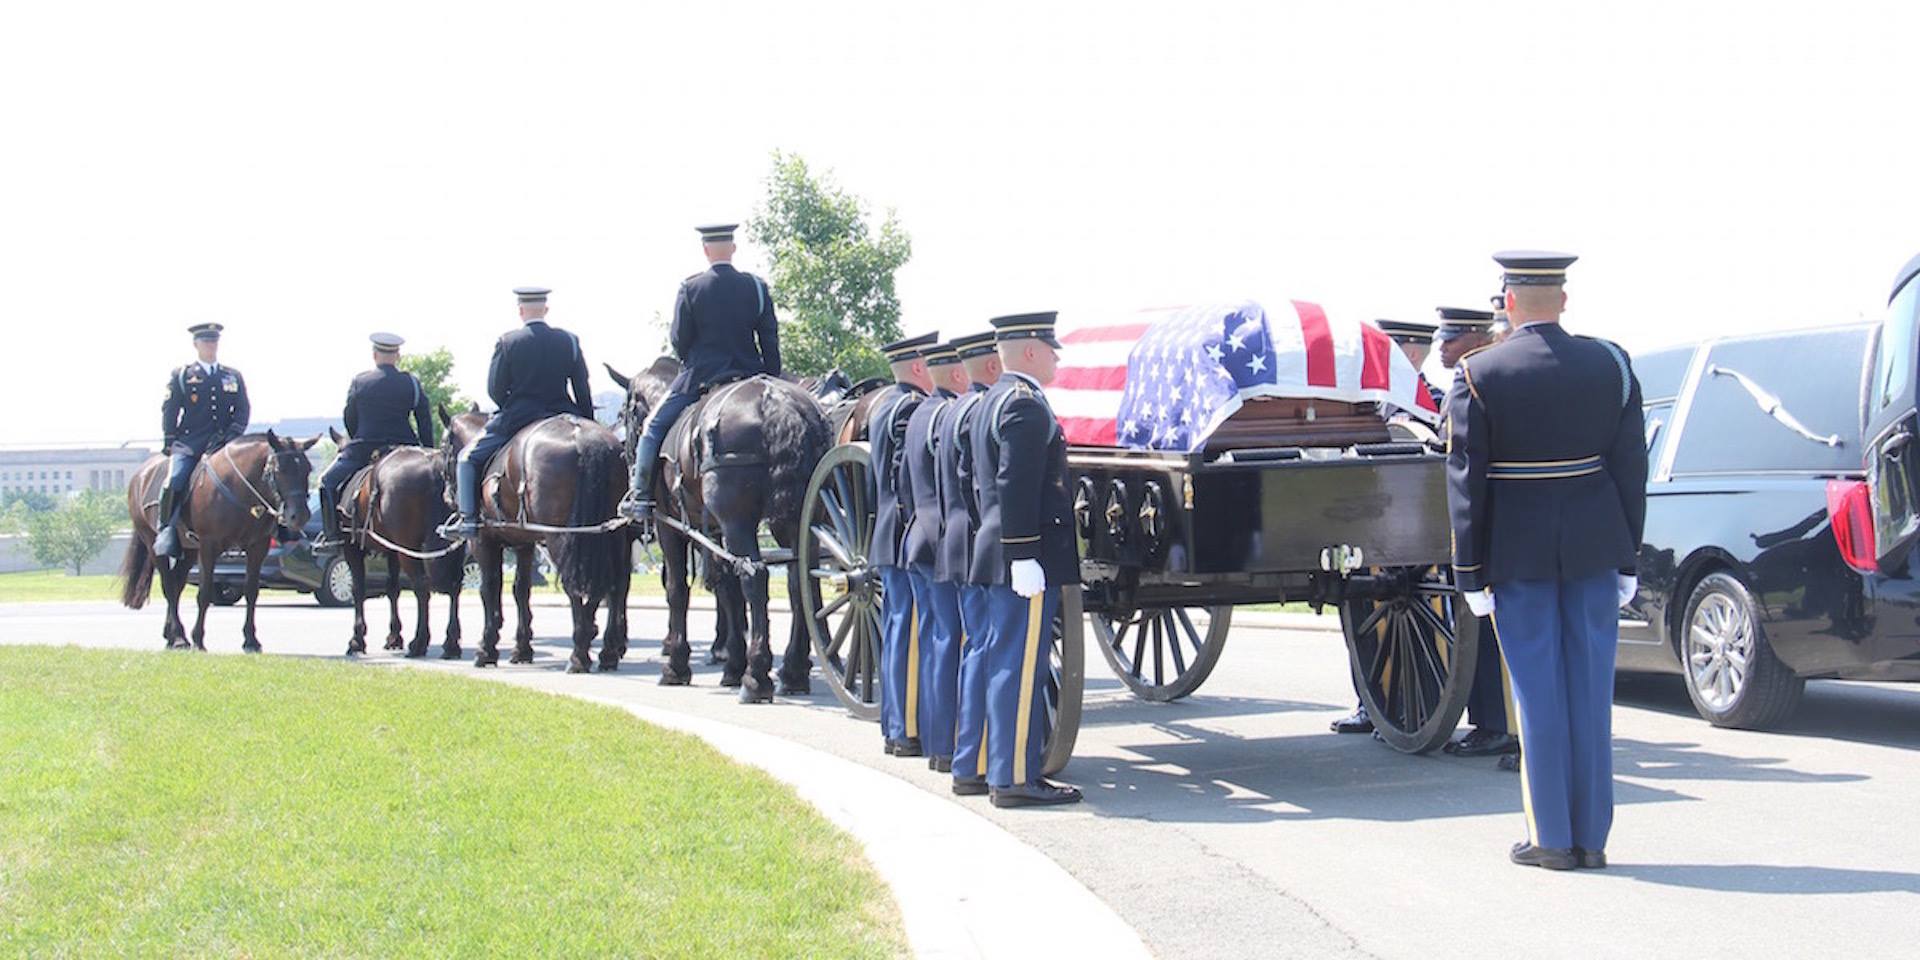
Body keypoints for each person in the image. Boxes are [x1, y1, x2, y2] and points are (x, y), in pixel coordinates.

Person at [1446, 250, 1647, 870]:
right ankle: (1591, 839)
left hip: (1517, 553)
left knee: (1537, 695)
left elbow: (1465, 481)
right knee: (1591, 693)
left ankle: (1552, 838)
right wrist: (1628, 555)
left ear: (1508, 303)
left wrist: (1469, 572)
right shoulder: (1611, 363)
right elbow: (1630, 468)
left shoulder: (1479, 372)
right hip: (1594, 548)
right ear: (1563, 299)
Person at [968, 312, 1082, 808]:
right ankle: (1015, 777)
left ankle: (990, 768)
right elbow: (1014, 483)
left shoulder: (993, 399)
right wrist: (1023, 555)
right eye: (1050, 347)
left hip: (999, 549)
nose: (1057, 356)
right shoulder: (1024, 405)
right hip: (1024, 554)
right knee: (1018, 665)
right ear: (1031, 351)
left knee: (1003, 659)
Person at [624, 223, 782, 519]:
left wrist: (693, 362)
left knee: (651, 429)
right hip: (751, 374)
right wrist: (771, 377)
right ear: (733, 249)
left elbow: (679, 341)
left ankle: (641, 496)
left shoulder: (691, 288)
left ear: (706, 251)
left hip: (702, 376)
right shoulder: (757, 287)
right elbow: (770, 338)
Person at [1331, 319, 1441, 735]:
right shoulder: (1367, 402)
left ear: (1410, 354)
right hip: (1365, 529)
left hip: (1410, 542)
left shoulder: (1431, 402)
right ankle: (1371, 702)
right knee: (1362, 623)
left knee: (1410, 631)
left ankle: (1412, 709)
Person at [444, 287, 595, 539]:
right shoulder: (569, 340)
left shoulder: (508, 342)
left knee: (467, 459)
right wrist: (587, 422)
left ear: (521, 311)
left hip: (520, 414)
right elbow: (582, 386)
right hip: (564, 411)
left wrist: (512, 405)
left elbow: (495, 390)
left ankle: (468, 519)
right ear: (545, 310)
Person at [902, 343, 971, 773]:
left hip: (918, 536)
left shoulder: (918, 415)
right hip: (943, 539)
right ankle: (946, 745)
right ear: (959, 375)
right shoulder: (948, 415)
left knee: (936, 641)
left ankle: (934, 738)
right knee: (950, 641)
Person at [870, 331, 937, 757]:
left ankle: (897, 723)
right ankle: (906, 727)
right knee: (912, 630)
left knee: (899, 628)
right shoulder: (912, 409)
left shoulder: (886, 406)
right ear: (918, 367)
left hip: (890, 532)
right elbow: (908, 478)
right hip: (906, 531)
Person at [313, 333, 435, 550]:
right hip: (405, 447)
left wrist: (356, 436)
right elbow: (424, 420)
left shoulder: (360, 382)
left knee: (326, 482)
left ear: (374, 355)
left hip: (365, 447)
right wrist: (427, 452)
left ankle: (332, 536)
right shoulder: (412, 383)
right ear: (397, 355)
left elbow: (350, 417)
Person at [944, 331, 1000, 795]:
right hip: (984, 541)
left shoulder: (947, 412)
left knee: (969, 646)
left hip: (958, 538)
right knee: (986, 649)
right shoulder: (985, 411)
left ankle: (962, 754)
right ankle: (979, 761)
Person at [155, 323, 251, 558]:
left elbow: (242, 408)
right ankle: (166, 529)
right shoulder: (183, 375)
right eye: (206, 341)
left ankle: (273, 528)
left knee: (255, 476)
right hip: (191, 442)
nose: (211, 346)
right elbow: (170, 409)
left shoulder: (232, 375)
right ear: (196, 344)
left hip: (225, 443)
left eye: (214, 341)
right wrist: (169, 440)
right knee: (175, 479)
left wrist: (233, 433)